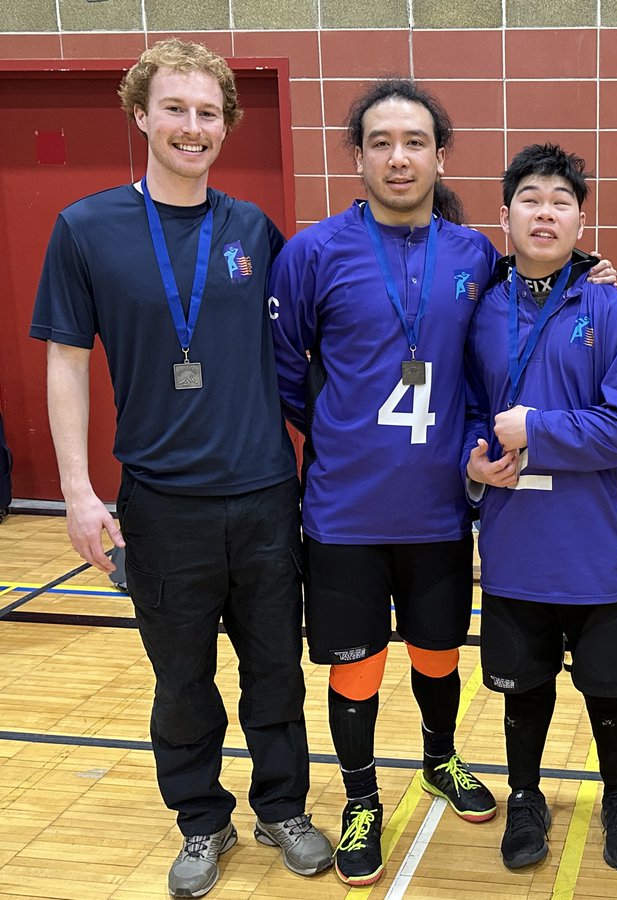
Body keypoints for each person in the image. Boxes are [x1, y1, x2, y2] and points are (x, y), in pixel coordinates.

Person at [30, 38, 333, 898]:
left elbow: (329, 323)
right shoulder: (86, 229)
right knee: (183, 683)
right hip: (162, 507)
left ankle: (283, 807)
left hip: (267, 497)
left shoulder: (253, 231)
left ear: (226, 125)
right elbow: (64, 360)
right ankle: (201, 820)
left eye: (208, 113)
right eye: (176, 109)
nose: (192, 128)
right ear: (141, 114)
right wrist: (78, 494)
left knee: (275, 670)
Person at [269, 79, 499, 887]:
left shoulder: (475, 254)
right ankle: (361, 798)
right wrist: (342, 435)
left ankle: (440, 758)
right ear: (358, 155)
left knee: (438, 653)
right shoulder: (311, 254)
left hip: (440, 508)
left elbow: (488, 370)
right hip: (344, 510)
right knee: (356, 666)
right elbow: (286, 374)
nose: (398, 158)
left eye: (413, 143)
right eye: (379, 142)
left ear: (440, 155)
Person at [463, 144, 617, 872]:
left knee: (609, 689)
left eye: (560, 200)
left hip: (598, 550)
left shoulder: (611, 308)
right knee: (524, 689)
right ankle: (524, 794)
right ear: (505, 214)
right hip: (515, 545)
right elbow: (462, 408)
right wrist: (472, 454)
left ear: (582, 218)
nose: (544, 211)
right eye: (530, 198)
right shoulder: (482, 308)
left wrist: (539, 432)